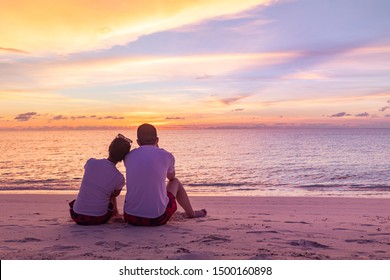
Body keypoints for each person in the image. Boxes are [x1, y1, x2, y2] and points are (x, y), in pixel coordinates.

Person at [123, 123, 206, 226]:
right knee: (175, 182)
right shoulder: (166, 155)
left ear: (138, 142)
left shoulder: (128, 156)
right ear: (157, 140)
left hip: (130, 217)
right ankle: (191, 213)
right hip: (158, 218)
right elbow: (171, 177)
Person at [69, 134, 132, 225]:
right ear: (123, 158)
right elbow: (114, 195)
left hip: (76, 216)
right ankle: (115, 213)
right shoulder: (119, 178)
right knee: (110, 191)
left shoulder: (91, 162)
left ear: (109, 148)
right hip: (98, 218)